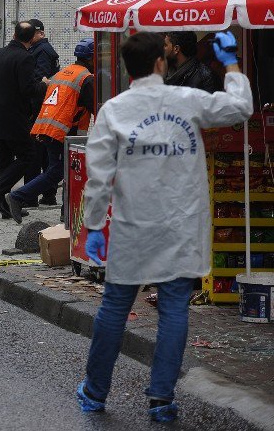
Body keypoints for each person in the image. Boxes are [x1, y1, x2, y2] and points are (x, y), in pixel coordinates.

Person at [76, 31, 252, 424]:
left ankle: (94, 391)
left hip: (132, 227)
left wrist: (92, 228)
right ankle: (161, 399)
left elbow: (99, 177)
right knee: (174, 309)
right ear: (161, 62)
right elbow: (241, 107)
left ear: (126, 67)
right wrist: (231, 63)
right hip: (182, 224)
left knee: (114, 308)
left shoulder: (114, 110)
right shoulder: (186, 101)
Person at [6, 38, 96, 222]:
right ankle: (17, 197)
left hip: (48, 128)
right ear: (92, 58)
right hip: (63, 133)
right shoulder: (86, 79)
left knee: (65, 171)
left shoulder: (63, 73)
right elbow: (97, 108)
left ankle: (66, 212)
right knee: (58, 172)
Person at [0, 22, 46, 219]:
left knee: (3, 158)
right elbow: (27, 89)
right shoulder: (25, 58)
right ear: (31, 38)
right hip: (13, 118)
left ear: (14, 34)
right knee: (28, 155)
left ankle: (2, 204)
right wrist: (43, 85)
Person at [27, 19, 61, 206]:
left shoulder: (42, 52)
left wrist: (34, 112)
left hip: (41, 110)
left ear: (39, 33)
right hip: (44, 110)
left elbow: (43, 82)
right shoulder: (40, 49)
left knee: (39, 154)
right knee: (45, 154)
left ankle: (42, 194)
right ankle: (48, 194)